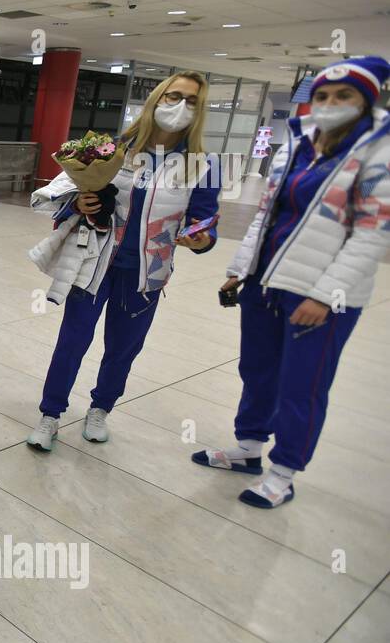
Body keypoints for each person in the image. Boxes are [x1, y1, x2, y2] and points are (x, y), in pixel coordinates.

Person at [193, 55, 390, 507]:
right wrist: (240, 268)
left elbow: (371, 233)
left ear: (367, 101)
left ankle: (284, 472)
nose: (330, 103)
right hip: (266, 280)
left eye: (344, 95)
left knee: (302, 384)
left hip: (323, 293)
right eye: (323, 95)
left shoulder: (378, 152)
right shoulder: (298, 143)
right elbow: (266, 214)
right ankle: (247, 448)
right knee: (257, 370)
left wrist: (325, 296)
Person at [25, 71, 220, 452]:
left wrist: (201, 238)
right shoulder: (114, 149)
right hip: (94, 262)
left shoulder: (202, 165)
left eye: (192, 101)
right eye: (173, 96)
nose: (180, 106)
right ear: (157, 99)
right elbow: (69, 194)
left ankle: (100, 408)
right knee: (72, 341)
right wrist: (80, 203)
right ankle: (50, 414)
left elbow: (206, 221)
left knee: (123, 348)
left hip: (146, 274)